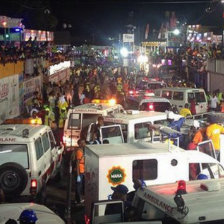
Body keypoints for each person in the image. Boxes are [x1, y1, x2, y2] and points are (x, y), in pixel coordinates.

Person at [73, 138, 86, 204]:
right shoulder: (79, 152)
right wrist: (78, 175)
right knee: (79, 186)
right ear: (80, 144)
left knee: (80, 186)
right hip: (80, 171)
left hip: (82, 171)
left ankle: (78, 199)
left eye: (84, 142)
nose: (84, 144)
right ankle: (78, 200)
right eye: (83, 143)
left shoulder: (82, 150)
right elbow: (77, 163)